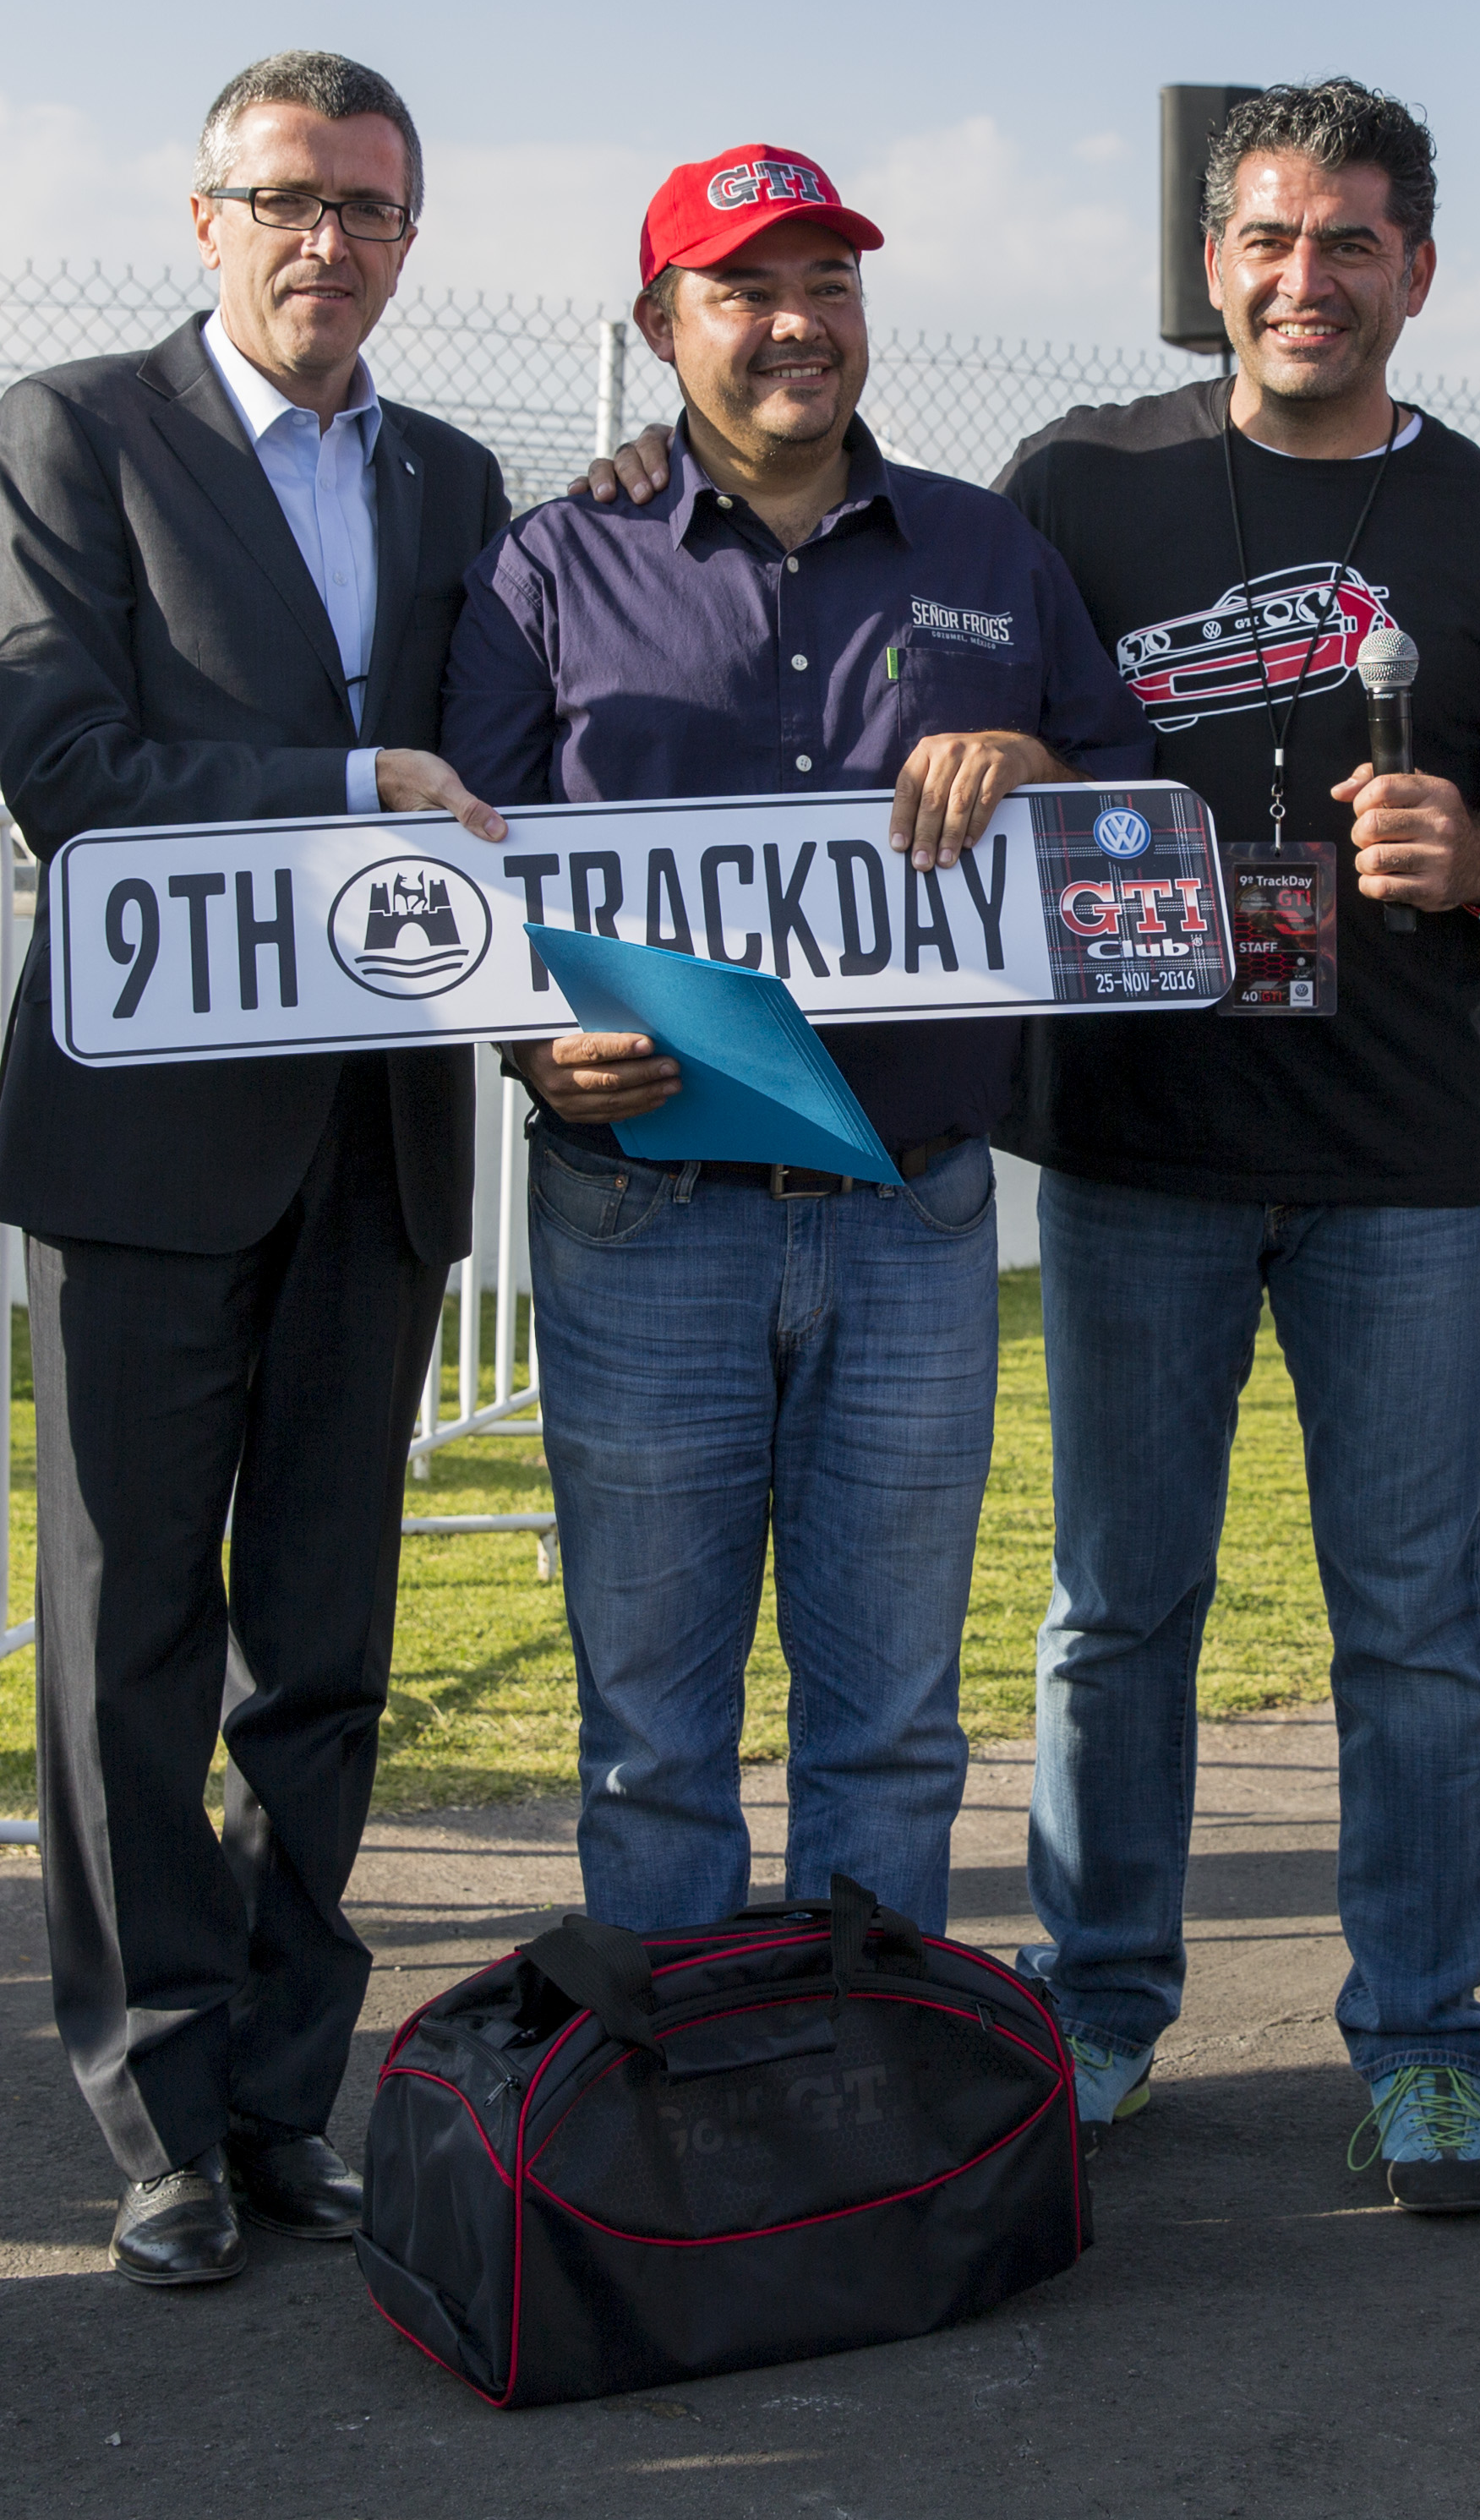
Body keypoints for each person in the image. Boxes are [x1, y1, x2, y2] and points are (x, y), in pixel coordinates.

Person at [998, 81, 1480, 2214]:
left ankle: (1432, 2043)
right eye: (1268, 237)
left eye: (1350, 242)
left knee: (1418, 1624)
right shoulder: (1077, 484)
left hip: (1398, 1164)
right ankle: (1093, 2011)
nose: (1303, 278)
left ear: (1417, 272)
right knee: (1115, 1611)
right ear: (1210, 264)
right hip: (1138, 1143)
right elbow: (968, 715)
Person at [444, 144, 1153, 1935]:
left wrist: (1046, 769)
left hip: (910, 1207)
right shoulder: (551, 563)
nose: (794, 325)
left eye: (828, 286)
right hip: (643, 1207)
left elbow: (1133, 809)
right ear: (660, 322)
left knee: (897, 1725)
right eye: (745, 290)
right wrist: (538, 1046)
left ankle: (867, 2112)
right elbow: (469, 877)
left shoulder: (991, 551)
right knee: (652, 1735)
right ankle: (681, 2126)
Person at [0, 51, 515, 2291]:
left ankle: (291, 2094)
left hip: (376, 1143)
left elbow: (525, 772)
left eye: (371, 209)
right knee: (127, 1654)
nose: (330, 243)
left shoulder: (463, 475)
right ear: (205, 218)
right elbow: (66, 768)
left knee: (325, 1651)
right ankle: (157, 2113)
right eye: (288, 199)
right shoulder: (73, 431)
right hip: (149, 1145)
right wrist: (340, 783)